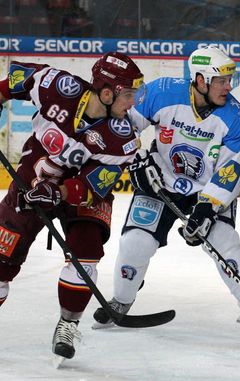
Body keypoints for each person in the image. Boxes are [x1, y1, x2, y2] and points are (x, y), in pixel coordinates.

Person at [92, 47, 240, 337]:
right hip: (160, 180)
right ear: (200, 80)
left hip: (208, 191)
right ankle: (122, 299)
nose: (229, 86)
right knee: (135, 242)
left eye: (230, 79)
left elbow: (229, 171)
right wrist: (136, 160)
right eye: (221, 81)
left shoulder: (237, 119)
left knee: (224, 242)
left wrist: (207, 208)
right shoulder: (160, 92)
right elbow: (122, 125)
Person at [0, 52, 145, 362]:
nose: (132, 103)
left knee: (87, 250)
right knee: (2, 256)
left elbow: (95, 184)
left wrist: (61, 191)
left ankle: (68, 323)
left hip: (80, 193)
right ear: (107, 92)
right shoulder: (57, 85)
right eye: (128, 94)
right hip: (33, 177)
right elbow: (14, 82)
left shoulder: (123, 139)